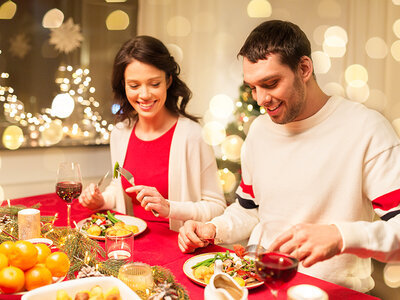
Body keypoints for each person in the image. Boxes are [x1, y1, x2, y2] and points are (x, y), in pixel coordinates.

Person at [178, 20, 400, 293]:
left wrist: (341, 236)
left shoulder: (366, 129)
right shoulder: (259, 131)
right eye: (253, 87)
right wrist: (214, 228)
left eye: (270, 83)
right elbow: (250, 210)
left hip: (332, 292)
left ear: (304, 68)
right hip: (262, 284)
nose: (260, 99)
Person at [79, 35, 226, 231]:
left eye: (154, 84)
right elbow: (119, 187)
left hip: (178, 248)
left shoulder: (193, 135)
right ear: (123, 85)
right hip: (130, 245)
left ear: (168, 81)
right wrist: (99, 201)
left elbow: (217, 207)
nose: (145, 95)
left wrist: (170, 208)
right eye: (134, 85)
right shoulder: (120, 134)